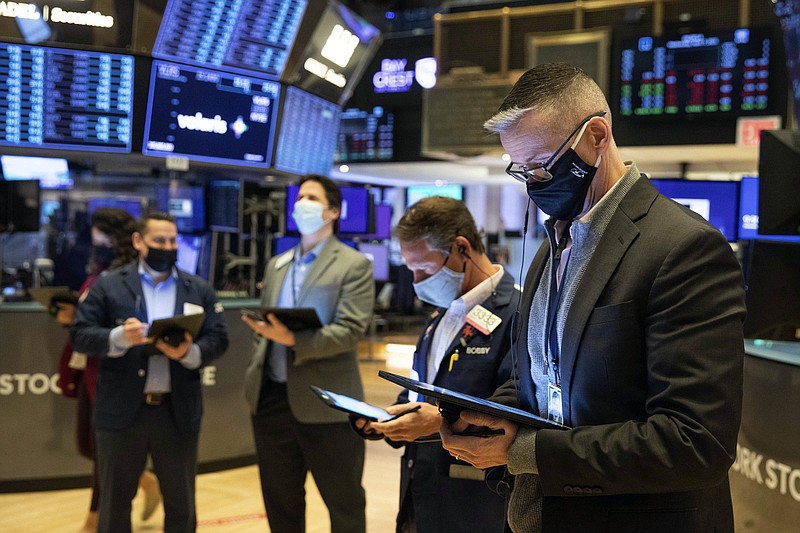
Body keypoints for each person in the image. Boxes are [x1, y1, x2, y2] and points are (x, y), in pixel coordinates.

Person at [439, 62, 747, 532]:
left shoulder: (684, 248)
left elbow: (695, 442)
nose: (534, 184)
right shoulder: (551, 248)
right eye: (521, 171)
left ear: (597, 136)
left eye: (542, 165)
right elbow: (539, 381)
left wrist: (524, 450)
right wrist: (488, 417)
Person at [352, 196, 521, 533]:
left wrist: (438, 421)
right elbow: (421, 386)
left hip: (475, 500)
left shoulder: (519, 311)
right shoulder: (443, 312)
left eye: (425, 270)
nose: (415, 282)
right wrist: (392, 418)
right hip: (420, 488)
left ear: (461, 248)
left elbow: (519, 408)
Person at [72, 212, 229, 533]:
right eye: (159, 240)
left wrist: (189, 352)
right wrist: (118, 337)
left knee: (181, 505)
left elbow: (219, 338)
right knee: (114, 504)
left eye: (172, 241)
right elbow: (81, 334)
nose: (167, 247)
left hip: (177, 413)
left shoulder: (197, 288)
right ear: (138, 241)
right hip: (120, 414)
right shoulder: (109, 285)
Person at [242, 174, 374, 533]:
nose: (301, 204)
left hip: (327, 401)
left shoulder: (353, 264)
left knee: (343, 502)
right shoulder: (277, 264)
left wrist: (292, 341)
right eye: (299, 197)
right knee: (281, 502)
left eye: (311, 198)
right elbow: (269, 325)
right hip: (271, 399)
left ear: (333, 211)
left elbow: (349, 331)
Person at [53, 207, 161, 532]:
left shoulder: (129, 276)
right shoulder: (97, 272)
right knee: (88, 445)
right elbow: (90, 323)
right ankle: (145, 480)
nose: (94, 239)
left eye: (99, 233)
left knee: (103, 450)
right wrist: (71, 318)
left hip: (113, 373)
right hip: (89, 364)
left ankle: (94, 518)